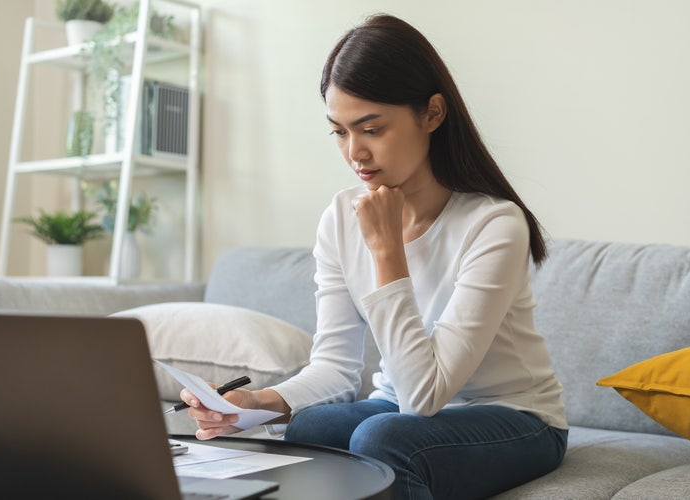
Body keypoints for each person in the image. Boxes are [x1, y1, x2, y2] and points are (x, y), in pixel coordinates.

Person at [181, 13, 568, 499]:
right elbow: (336, 369)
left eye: (371, 129)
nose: (355, 153)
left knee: (383, 437)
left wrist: (388, 253)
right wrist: (258, 402)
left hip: (517, 418)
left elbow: (423, 397)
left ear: (432, 113)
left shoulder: (494, 224)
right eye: (339, 132)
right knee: (311, 430)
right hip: (401, 404)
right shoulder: (340, 217)